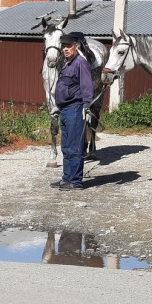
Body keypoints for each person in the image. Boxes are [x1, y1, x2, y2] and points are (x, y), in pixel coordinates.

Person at [50, 32, 94, 190]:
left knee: (75, 146)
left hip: (76, 109)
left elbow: (87, 86)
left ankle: (75, 181)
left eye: (69, 46)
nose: (66, 49)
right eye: (64, 46)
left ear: (76, 47)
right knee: (66, 146)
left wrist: (87, 106)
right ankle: (67, 178)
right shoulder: (68, 63)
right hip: (65, 109)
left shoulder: (80, 63)